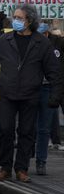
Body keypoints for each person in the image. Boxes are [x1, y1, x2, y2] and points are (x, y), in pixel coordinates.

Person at [0, 5, 62, 183]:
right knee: (6, 130)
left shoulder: (42, 43)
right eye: (14, 17)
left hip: (30, 95)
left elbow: (54, 71)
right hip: (7, 93)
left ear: (29, 21)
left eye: (19, 18)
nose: (15, 20)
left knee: (26, 132)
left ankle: (22, 169)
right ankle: (5, 168)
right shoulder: (5, 40)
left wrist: (56, 94)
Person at [34, 22, 64, 175]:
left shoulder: (57, 44)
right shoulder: (31, 42)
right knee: (28, 127)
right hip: (31, 88)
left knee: (44, 128)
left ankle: (41, 161)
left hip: (49, 88)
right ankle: (24, 160)